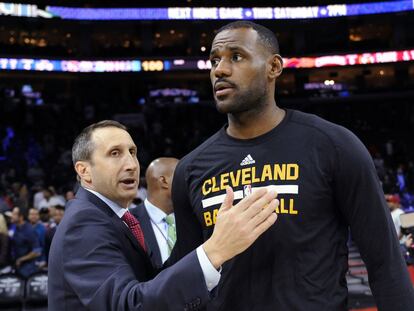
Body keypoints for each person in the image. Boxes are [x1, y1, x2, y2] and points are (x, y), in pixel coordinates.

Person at [170, 21, 414, 310]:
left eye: (236, 56)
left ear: (274, 67)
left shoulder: (334, 146)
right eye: (214, 60)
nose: (219, 70)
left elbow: (384, 260)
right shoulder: (191, 168)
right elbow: (184, 277)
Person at [48, 120, 278, 311]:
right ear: (84, 171)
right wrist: (214, 251)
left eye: (133, 152)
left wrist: (203, 233)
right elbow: (130, 305)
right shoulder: (84, 223)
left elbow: (152, 282)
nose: (131, 164)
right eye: (114, 153)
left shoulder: (112, 217)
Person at [130, 157, 179, 268]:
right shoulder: (127, 223)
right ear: (164, 181)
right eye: (182, 175)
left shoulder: (192, 218)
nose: (188, 181)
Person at [10, 206, 41, 278]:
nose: (12, 215)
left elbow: (37, 252)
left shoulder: (29, 230)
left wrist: (21, 259)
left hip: (28, 269)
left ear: (20, 217)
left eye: (14, 214)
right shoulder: (15, 227)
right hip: (18, 267)